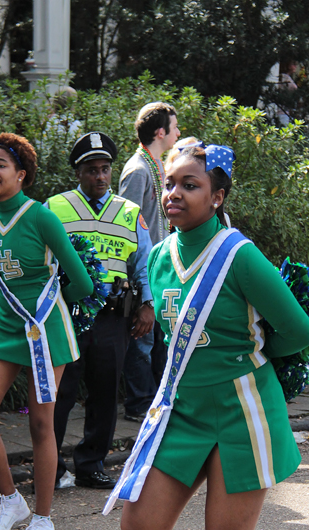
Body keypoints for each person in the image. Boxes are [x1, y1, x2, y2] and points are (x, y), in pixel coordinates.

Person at [115, 142, 309, 530]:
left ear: (218, 196)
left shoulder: (240, 255)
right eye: (170, 183)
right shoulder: (160, 257)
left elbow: (296, 331)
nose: (175, 193)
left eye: (190, 185)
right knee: (139, 527)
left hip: (240, 413)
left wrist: (246, 357)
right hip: (182, 412)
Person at [0, 132, 93, 530]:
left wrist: (51, 310)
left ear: (21, 175)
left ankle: (43, 519)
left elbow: (82, 281)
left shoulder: (41, 217)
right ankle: (10, 500)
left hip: (44, 329)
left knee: (42, 424)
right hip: (6, 327)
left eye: (1, 164)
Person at [46, 131, 154, 489]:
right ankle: (53, 466)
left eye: (105, 169)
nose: (100, 176)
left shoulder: (129, 212)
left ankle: (91, 464)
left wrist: (148, 305)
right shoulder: (55, 207)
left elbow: (143, 264)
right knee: (59, 392)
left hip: (112, 316)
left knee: (106, 391)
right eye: (92, 169)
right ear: (79, 173)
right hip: (67, 314)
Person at [119, 102, 180, 421]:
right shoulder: (138, 169)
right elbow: (128, 224)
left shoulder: (157, 165)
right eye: (175, 126)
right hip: (144, 269)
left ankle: (156, 401)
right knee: (142, 339)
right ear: (160, 132)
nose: (178, 132)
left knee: (159, 338)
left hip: (161, 266)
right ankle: (139, 404)